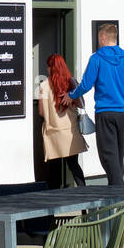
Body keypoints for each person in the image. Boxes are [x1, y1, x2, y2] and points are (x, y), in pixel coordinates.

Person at [63, 23, 124, 186]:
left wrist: (71, 95)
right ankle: (117, 196)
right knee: (117, 158)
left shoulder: (96, 59)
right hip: (123, 115)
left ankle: (120, 197)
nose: (99, 40)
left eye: (99, 37)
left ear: (103, 37)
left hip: (105, 114)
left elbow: (85, 85)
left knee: (108, 157)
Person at [37, 54, 88, 187]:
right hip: (70, 132)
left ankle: (54, 203)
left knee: (53, 169)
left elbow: (41, 112)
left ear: (51, 68)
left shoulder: (43, 86)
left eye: (48, 66)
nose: (47, 69)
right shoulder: (71, 83)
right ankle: (86, 198)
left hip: (53, 133)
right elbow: (82, 104)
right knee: (74, 166)